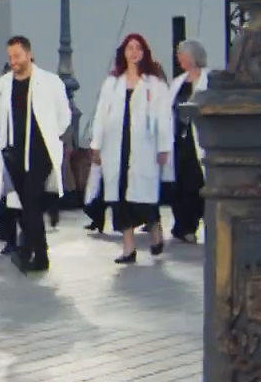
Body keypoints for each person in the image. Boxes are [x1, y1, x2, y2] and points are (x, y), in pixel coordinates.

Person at [0, 35, 71, 274]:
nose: (13, 61)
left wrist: (51, 136)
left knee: (30, 200)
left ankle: (38, 255)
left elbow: (64, 117)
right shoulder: (2, 85)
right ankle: (32, 250)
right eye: (10, 57)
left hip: (40, 153)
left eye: (17, 56)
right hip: (12, 154)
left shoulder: (50, 82)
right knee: (24, 206)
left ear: (29, 54)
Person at [89, 34, 172, 265]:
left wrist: (164, 146)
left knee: (144, 197)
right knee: (120, 196)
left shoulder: (154, 84)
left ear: (144, 52)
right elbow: (100, 116)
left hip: (144, 146)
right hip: (116, 147)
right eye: (129, 48)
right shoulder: (112, 83)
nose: (133, 52)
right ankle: (128, 248)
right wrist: (96, 144)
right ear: (123, 52)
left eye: (138, 48)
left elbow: (164, 118)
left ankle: (155, 230)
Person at [163, 40, 209, 244]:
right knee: (179, 183)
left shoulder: (209, 80)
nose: (180, 59)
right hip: (178, 139)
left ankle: (194, 223)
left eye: (183, 55)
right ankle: (182, 226)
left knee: (196, 181)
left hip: (197, 138)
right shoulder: (178, 82)